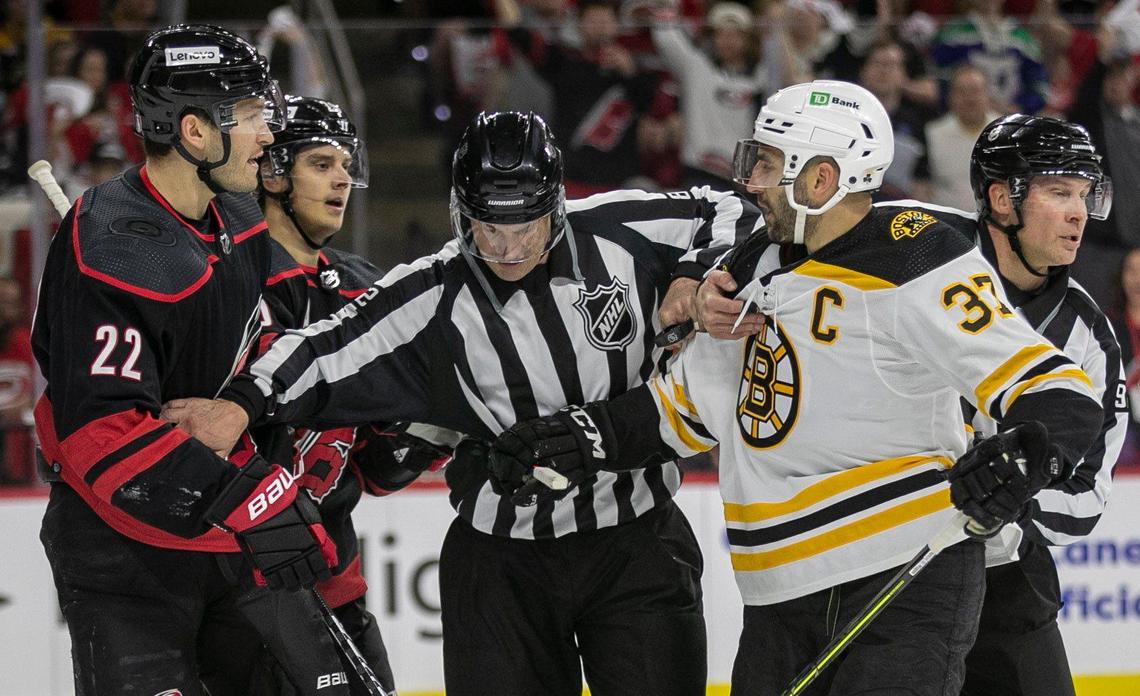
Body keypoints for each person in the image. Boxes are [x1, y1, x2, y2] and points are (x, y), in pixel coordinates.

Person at [484, 81, 1105, 695]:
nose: (751, 180)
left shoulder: (914, 257)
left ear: (821, 180)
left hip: (903, 576)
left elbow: (1053, 386)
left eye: (768, 164)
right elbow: (688, 408)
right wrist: (582, 438)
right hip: (778, 594)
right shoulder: (752, 265)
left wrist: (1028, 453)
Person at [162, 110, 766, 696]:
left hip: (638, 545)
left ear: (555, 209)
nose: (506, 247)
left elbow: (731, 209)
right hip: (501, 568)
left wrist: (693, 273)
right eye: (488, 225)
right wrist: (240, 405)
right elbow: (324, 347)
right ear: (461, 214)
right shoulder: (431, 291)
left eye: (525, 225)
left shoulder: (616, 226)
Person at [32, 24, 341, 695]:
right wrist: (250, 501)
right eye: (255, 117)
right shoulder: (116, 244)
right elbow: (99, 435)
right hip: (126, 553)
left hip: (221, 538)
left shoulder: (237, 212)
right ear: (195, 133)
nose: (268, 135)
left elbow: (266, 335)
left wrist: (252, 413)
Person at [250, 93, 459, 695]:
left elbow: (371, 467)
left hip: (334, 584)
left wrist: (424, 437)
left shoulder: (365, 290)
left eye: (346, 164)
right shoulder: (223, 285)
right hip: (235, 587)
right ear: (273, 171)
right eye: (321, 163)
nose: (342, 178)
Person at [957, 114, 1126, 696]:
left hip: (1008, 585)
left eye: (1084, 194)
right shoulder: (916, 273)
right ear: (1002, 199)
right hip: (885, 569)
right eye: (1060, 192)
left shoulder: (1090, 337)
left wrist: (1015, 498)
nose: (1079, 212)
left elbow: (1089, 496)